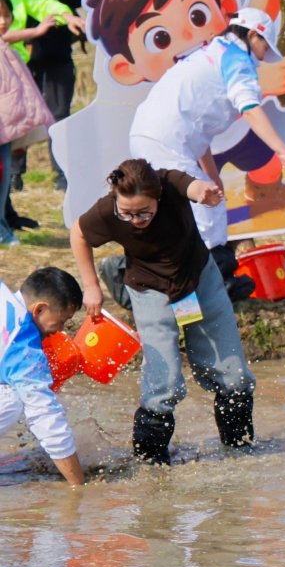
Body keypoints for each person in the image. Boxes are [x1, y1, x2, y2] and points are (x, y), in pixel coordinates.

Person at [70, 159, 256, 464]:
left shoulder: (168, 183)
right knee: (163, 382)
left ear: (158, 197)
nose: (135, 220)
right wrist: (91, 286)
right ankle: (151, 465)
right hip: (150, 288)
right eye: (127, 213)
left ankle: (241, 453)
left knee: (233, 375)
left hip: (198, 277)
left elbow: (192, 187)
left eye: (144, 212)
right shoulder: (106, 210)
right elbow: (78, 234)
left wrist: (203, 192)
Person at [127, 7, 285, 258]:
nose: (263, 57)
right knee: (208, 217)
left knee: (182, 215)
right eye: (265, 47)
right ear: (253, 34)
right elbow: (250, 109)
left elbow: (199, 129)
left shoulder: (213, 52)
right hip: (167, 142)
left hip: (147, 135)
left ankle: (136, 269)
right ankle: (217, 274)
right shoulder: (238, 59)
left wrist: (211, 175)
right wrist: (283, 151)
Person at [9, 0, 85, 192]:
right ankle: (14, 175)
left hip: (54, 49)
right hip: (16, 53)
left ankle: (62, 174)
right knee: (16, 115)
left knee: (59, 114)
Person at [0, 267, 87, 485]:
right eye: (62, 321)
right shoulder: (22, 344)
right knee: (13, 398)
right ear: (40, 309)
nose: (59, 330)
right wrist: (78, 486)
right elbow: (46, 417)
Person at [0, 0, 52, 247]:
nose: (3, 21)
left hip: (7, 129)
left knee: (3, 177)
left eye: (7, 15)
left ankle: (3, 228)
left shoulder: (7, 51)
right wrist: (38, 30)